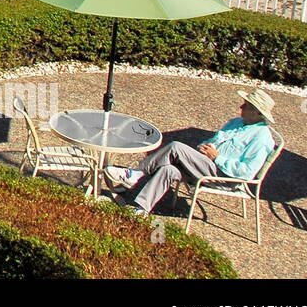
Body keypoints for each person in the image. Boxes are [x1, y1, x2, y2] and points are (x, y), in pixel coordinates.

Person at [104, 88, 276, 216]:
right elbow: (213, 141)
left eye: (245, 105)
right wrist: (204, 148)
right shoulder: (236, 122)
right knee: (168, 169)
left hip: (223, 176)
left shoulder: (262, 139)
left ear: (257, 112)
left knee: (176, 147)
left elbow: (246, 173)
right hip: (204, 164)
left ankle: (136, 173)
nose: (241, 106)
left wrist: (217, 158)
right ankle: (142, 210)